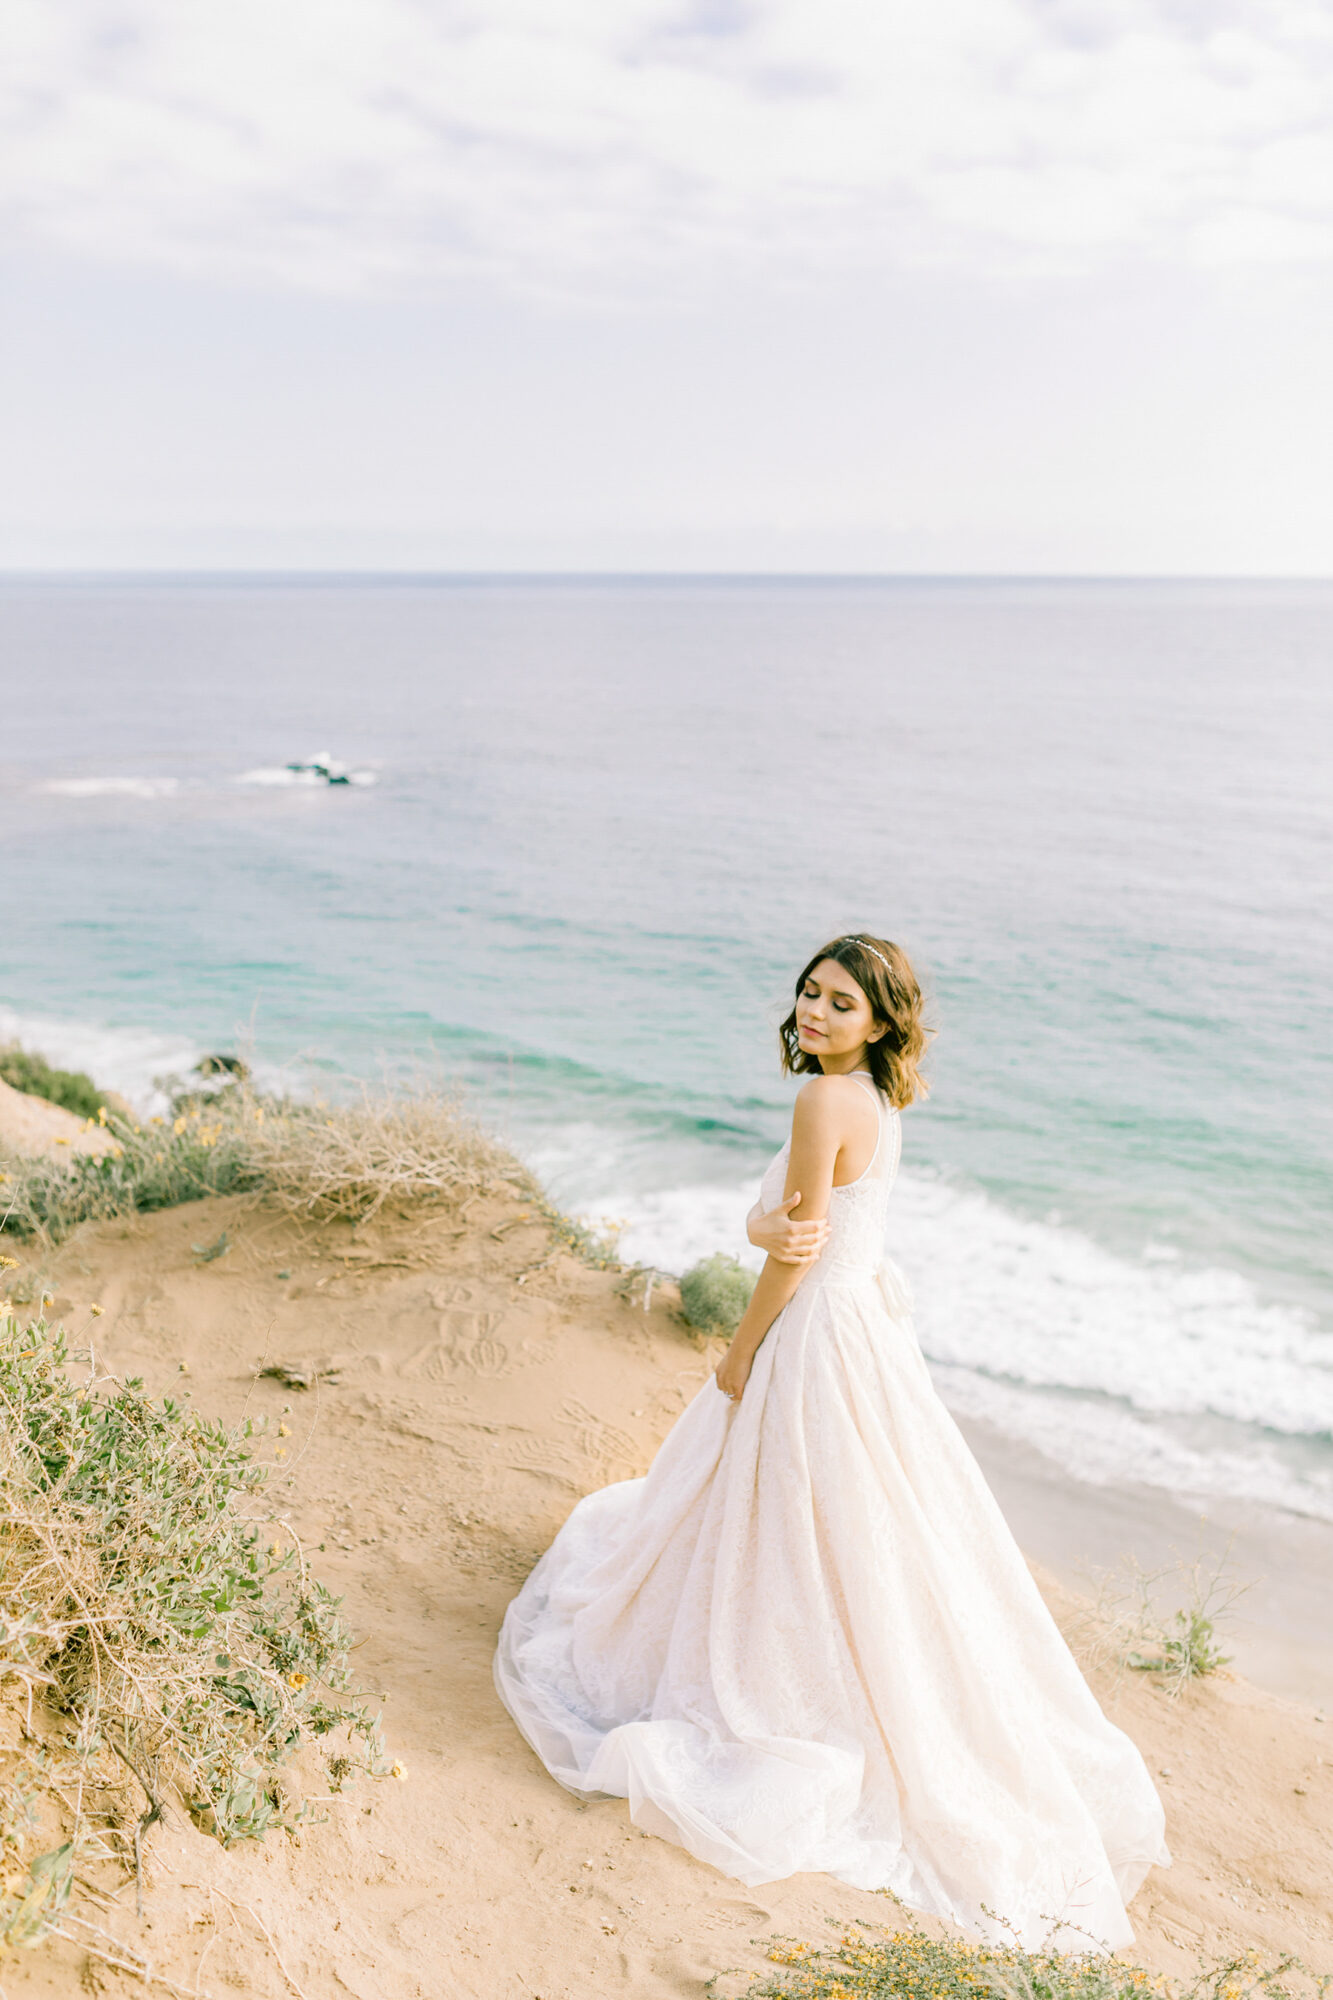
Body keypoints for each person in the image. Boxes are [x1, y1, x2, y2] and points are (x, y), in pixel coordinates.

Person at [493, 934, 1168, 1949]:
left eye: (841, 1001)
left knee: (788, 1503)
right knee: (862, 1521)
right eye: (810, 991)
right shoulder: (877, 1099)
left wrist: (739, 1349)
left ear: (881, 1019)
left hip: (812, 1332)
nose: (814, 1010)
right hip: (865, 1330)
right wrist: (769, 1229)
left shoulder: (820, 1100)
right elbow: (812, 1228)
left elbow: (797, 1254)